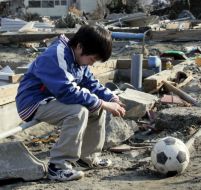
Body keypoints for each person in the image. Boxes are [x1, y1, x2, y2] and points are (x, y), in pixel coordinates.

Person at [15, 25, 126, 181]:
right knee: (78, 111)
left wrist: (110, 98)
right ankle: (58, 166)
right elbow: (66, 91)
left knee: (96, 108)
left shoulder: (77, 58)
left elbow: (91, 83)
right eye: (92, 59)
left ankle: (86, 158)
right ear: (80, 46)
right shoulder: (56, 55)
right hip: (33, 102)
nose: (91, 64)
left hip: (53, 99)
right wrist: (103, 103)